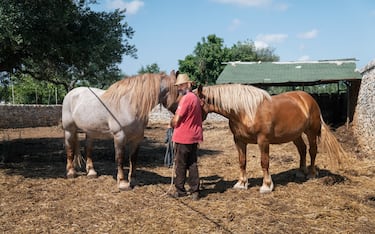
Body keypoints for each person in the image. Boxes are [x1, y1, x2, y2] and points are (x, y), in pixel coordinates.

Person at [170, 73, 203, 201]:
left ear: (188, 85)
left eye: (181, 85)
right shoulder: (195, 98)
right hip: (194, 136)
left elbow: (177, 119)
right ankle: (195, 191)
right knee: (193, 163)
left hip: (183, 136)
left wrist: (171, 123)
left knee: (181, 164)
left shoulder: (185, 99)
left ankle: (180, 190)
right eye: (178, 86)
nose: (179, 88)